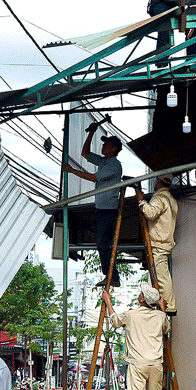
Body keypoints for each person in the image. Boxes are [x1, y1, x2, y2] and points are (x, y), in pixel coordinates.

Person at [102, 284, 169, 390]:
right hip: (155, 364)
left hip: (137, 364)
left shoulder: (131, 315)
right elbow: (166, 329)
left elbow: (116, 322)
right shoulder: (160, 316)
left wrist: (108, 302)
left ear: (141, 299)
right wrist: (163, 309)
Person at [63, 117, 123, 287]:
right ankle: (111, 275)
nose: (103, 146)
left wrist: (72, 170)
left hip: (107, 210)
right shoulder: (104, 161)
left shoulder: (114, 166)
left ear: (114, 149)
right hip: (101, 208)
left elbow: (93, 177)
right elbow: (85, 154)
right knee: (102, 244)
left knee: (103, 245)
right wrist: (91, 133)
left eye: (107, 145)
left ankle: (112, 276)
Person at [136, 176, 178, 315]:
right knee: (161, 275)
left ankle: (169, 306)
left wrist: (142, 201)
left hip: (159, 243)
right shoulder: (170, 199)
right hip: (164, 242)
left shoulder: (160, 198)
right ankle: (163, 304)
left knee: (162, 276)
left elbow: (151, 213)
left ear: (158, 181)